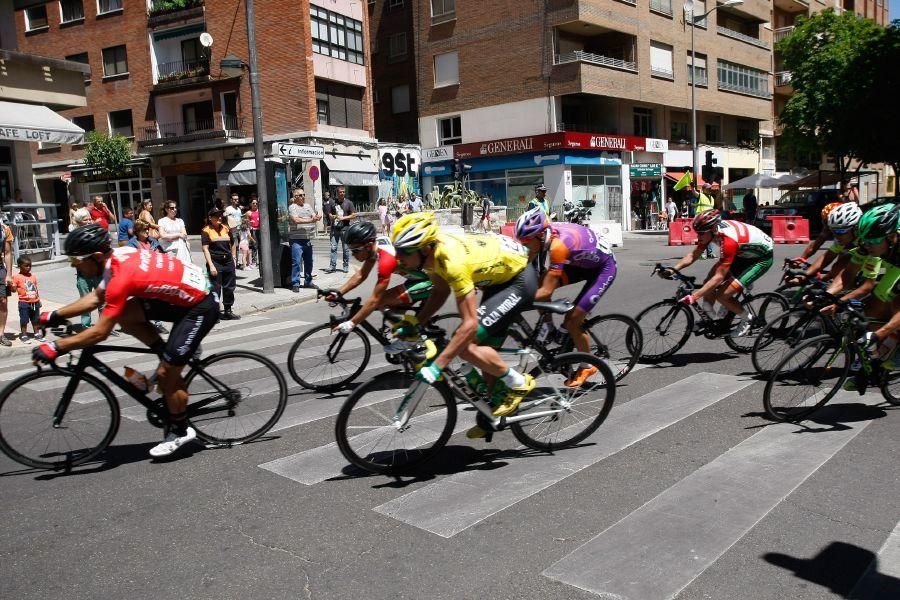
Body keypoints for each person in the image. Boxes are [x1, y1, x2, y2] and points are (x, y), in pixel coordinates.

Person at [33, 225, 217, 458]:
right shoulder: (117, 257)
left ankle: (181, 430)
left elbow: (100, 332)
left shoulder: (121, 275)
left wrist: (56, 346)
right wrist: (55, 315)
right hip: (184, 296)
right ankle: (170, 353)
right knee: (125, 314)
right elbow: (96, 298)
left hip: (200, 306)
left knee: (166, 375)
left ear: (97, 257)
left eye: (75, 259)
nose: (73, 264)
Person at [390, 212, 537, 438]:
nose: (399, 259)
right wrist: (417, 323)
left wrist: (438, 365)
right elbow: (440, 291)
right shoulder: (431, 257)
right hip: (498, 279)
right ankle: (494, 411)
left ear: (424, 248)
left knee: (465, 343)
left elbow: (468, 325)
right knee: (478, 347)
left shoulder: (452, 262)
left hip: (518, 280)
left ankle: (518, 382)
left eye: (403, 252)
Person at [514, 208, 617, 386]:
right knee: (539, 285)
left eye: (527, 243)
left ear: (539, 236)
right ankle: (549, 329)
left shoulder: (558, 246)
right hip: (580, 263)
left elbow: (546, 292)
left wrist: (515, 302)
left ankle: (587, 365)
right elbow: (525, 265)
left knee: (572, 321)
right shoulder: (547, 234)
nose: (525, 247)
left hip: (603, 268)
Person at [660, 209, 774, 337]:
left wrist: (694, 296)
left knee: (722, 295)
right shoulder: (710, 232)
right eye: (697, 233)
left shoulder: (728, 240)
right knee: (707, 282)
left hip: (761, 259)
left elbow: (719, 277)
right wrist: (674, 269)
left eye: (701, 233)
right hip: (742, 253)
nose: (698, 236)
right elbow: (694, 254)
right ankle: (709, 316)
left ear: (712, 228)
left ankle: (747, 318)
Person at [328, 220, 432, 333]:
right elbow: (361, 275)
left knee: (381, 301)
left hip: (431, 281)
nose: (353, 255)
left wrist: (351, 323)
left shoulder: (386, 261)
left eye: (355, 250)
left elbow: (375, 299)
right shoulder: (374, 248)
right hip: (417, 279)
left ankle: (410, 338)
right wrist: (338, 293)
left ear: (368, 246)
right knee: (393, 312)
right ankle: (408, 334)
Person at [201, 208, 239, 320]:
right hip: (215, 262)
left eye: (220, 216)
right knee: (215, 289)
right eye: (216, 216)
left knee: (229, 287)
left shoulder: (226, 228)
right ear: (210, 218)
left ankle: (228, 310)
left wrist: (234, 257)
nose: (219, 218)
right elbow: (205, 249)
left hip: (228, 262)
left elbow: (232, 244)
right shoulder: (206, 230)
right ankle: (214, 313)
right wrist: (211, 265)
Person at [288, 189, 320, 292]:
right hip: (296, 239)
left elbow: (314, 216)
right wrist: (310, 220)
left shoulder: (307, 206)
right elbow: (296, 220)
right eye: (301, 195)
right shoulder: (292, 207)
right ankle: (296, 283)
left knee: (309, 262)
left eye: (304, 195)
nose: (303, 197)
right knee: (296, 262)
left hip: (307, 238)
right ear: (296, 197)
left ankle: (308, 281)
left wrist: (317, 217)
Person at [12, 256, 41, 345]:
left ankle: (37, 333)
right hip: (24, 303)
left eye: (30, 266)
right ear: (20, 266)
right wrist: (12, 286)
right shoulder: (17, 277)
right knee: (24, 319)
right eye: (26, 266)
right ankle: (24, 335)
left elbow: (35, 289)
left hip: (35, 302)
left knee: (36, 319)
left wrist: (38, 300)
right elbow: (13, 290)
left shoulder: (33, 276)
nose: (28, 267)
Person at [327, 186, 355, 273]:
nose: (342, 193)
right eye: (340, 192)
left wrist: (343, 218)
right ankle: (332, 266)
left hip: (345, 229)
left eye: (343, 192)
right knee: (333, 247)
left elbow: (354, 215)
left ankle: (345, 266)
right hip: (334, 228)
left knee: (345, 249)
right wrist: (331, 216)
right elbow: (329, 213)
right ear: (337, 193)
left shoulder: (349, 203)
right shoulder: (332, 202)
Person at [0, 215, 14, 347]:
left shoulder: (4, 229)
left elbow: (8, 253)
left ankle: (1, 334)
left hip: (0, 268)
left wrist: (9, 274)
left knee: (3, 301)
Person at [692, 185, 716, 259]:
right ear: (703, 189)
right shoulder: (701, 195)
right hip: (701, 220)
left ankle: (710, 253)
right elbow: (694, 193)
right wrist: (692, 188)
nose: (710, 190)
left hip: (709, 220)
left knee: (709, 237)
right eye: (708, 188)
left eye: (710, 188)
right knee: (702, 237)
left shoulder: (712, 198)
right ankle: (700, 253)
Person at [223, 194, 243, 267]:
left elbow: (240, 218)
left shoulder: (238, 209)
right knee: (233, 246)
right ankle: (232, 262)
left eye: (237, 199)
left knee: (238, 246)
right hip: (232, 230)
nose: (236, 201)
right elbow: (225, 219)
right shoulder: (228, 209)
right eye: (235, 199)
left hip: (239, 230)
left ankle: (236, 261)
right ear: (231, 200)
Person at [244, 199, 260, 268]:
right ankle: (254, 261)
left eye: (256, 203)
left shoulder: (260, 211)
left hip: (260, 230)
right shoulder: (248, 212)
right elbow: (246, 222)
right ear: (251, 204)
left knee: (261, 246)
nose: (255, 204)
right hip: (253, 230)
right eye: (253, 203)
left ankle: (261, 261)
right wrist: (250, 223)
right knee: (254, 246)